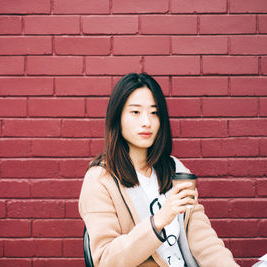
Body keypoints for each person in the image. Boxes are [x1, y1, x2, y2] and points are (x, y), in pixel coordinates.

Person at [79, 73, 239, 267]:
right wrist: (159, 220)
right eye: (136, 112)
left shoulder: (175, 170)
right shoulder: (100, 180)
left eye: (154, 113)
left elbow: (203, 240)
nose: (147, 122)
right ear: (117, 117)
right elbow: (106, 260)